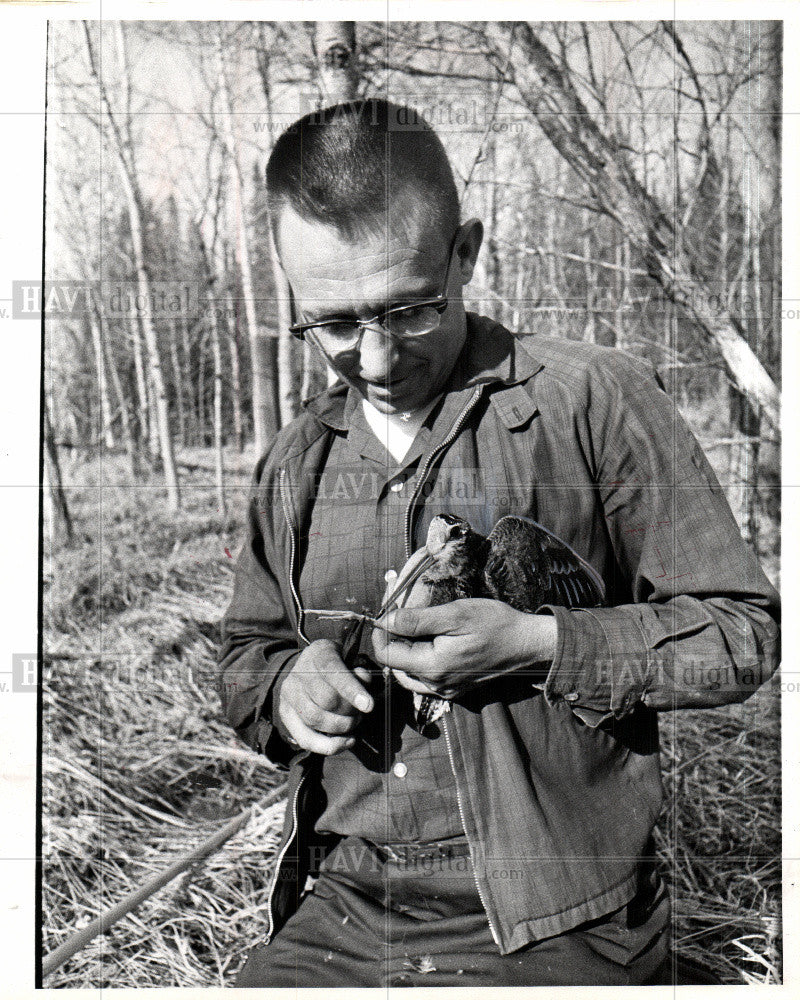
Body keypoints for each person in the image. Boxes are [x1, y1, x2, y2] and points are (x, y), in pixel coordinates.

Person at [218, 98, 780, 987]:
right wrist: (288, 688)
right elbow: (246, 658)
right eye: (333, 324)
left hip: (558, 912)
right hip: (344, 904)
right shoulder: (297, 461)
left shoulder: (594, 402)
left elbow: (740, 634)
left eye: (409, 311)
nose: (374, 359)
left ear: (466, 252)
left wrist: (541, 645)